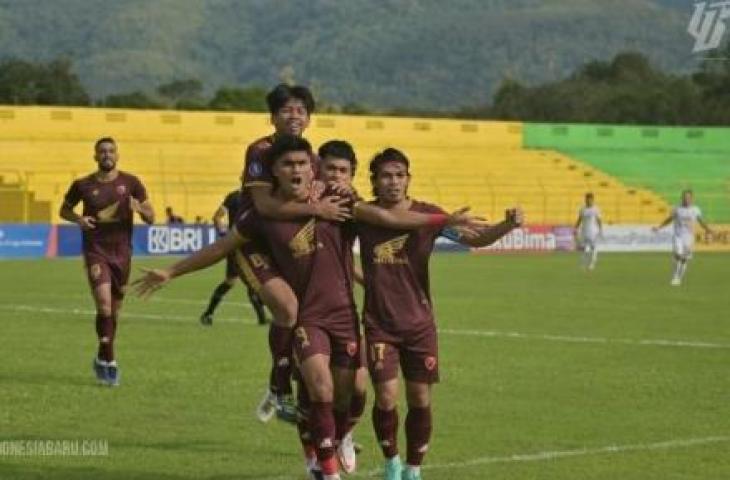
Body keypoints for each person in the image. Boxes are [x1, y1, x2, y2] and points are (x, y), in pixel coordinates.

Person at [131, 136, 485, 480]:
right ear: (275, 171)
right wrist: (170, 271)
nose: (297, 170)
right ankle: (325, 468)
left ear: (311, 168)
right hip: (309, 317)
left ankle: (338, 435)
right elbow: (222, 247)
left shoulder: (338, 199)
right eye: (288, 164)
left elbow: (388, 219)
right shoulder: (261, 216)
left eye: (302, 163)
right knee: (320, 388)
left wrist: (443, 221)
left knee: (351, 393)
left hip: (346, 316)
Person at [356, 148, 522, 480]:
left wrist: (506, 224)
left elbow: (476, 239)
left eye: (400, 175)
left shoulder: (429, 215)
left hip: (419, 325)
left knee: (419, 398)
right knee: (387, 396)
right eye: (386, 175)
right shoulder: (363, 213)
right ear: (374, 181)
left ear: (408, 179)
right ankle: (392, 463)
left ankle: (413, 469)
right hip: (379, 324)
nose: (393, 181)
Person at [59, 137, 155, 386]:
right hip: (96, 251)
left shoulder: (131, 183)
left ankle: (101, 355)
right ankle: (111, 363)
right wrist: (79, 219)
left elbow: (151, 218)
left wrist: (140, 209)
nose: (106, 155)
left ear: (117, 155)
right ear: (95, 156)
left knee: (115, 312)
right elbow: (64, 210)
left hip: (122, 253)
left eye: (111, 151)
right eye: (102, 151)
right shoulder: (82, 185)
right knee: (104, 306)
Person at [199, 178, 268, 326]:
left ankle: (262, 319)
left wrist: (223, 234)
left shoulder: (238, 197)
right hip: (241, 245)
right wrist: (226, 236)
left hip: (243, 244)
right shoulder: (247, 198)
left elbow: (217, 217)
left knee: (243, 280)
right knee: (241, 281)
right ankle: (208, 313)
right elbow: (217, 217)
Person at [653, 189, 713, 286]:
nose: (686, 199)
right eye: (685, 197)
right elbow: (669, 219)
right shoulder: (677, 208)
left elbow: (701, 221)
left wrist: (707, 229)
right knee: (678, 254)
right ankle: (675, 276)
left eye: (688, 198)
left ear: (692, 199)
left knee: (684, 259)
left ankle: (679, 278)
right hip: (678, 236)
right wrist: (659, 227)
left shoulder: (696, 209)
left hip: (689, 238)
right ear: (682, 198)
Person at [574, 192, 603, 270]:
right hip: (584, 231)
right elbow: (579, 219)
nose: (588, 201)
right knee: (583, 248)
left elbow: (599, 220)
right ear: (585, 199)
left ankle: (592, 263)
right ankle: (583, 263)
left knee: (593, 247)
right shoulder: (582, 209)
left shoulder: (596, 209)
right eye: (587, 199)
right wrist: (575, 228)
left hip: (593, 232)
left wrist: (600, 230)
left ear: (593, 200)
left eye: (590, 199)